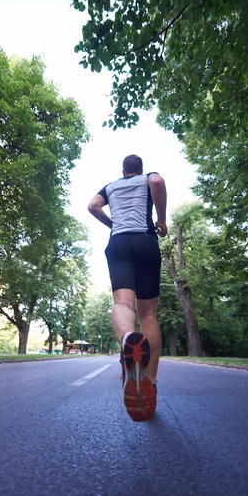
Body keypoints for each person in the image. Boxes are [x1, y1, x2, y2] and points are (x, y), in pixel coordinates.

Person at [88, 154, 167, 422]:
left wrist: (113, 225)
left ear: (123, 171)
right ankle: (150, 380)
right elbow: (157, 181)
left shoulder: (110, 186)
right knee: (147, 313)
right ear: (140, 169)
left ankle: (127, 340)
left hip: (118, 244)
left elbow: (93, 206)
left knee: (122, 303)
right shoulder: (147, 177)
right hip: (145, 241)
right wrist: (162, 219)